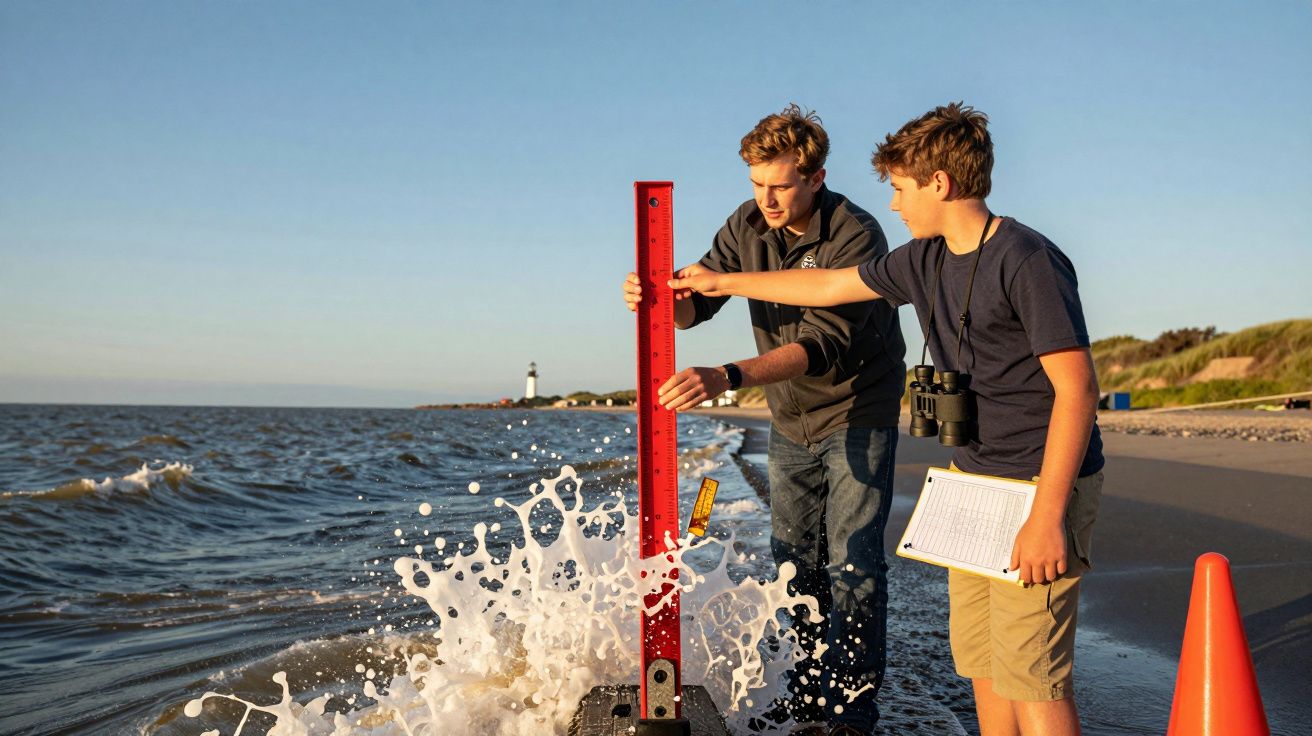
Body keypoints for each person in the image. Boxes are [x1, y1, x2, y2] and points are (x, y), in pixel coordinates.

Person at [668, 102, 1105, 736]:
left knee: (1031, 674)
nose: (894, 205)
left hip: (1037, 483)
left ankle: (852, 709)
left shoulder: (1026, 257)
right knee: (982, 663)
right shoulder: (922, 259)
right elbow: (826, 287)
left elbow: (1079, 390)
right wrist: (722, 282)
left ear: (939, 184)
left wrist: (1046, 516)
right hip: (972, 476)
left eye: (900, 189)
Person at [622, 105, 906, 735]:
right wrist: (657, 300)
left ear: (816, 177)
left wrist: (726, 376)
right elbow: (697, 305)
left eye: (779, 186)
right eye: (756, 184)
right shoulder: (746, 223)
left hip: (858, 406)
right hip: (788, 413)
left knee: (854, 560)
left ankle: (850, 711)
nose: (766, 200)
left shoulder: (856, 234)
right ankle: (806, 695)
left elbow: (821, 345)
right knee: (793, 560)